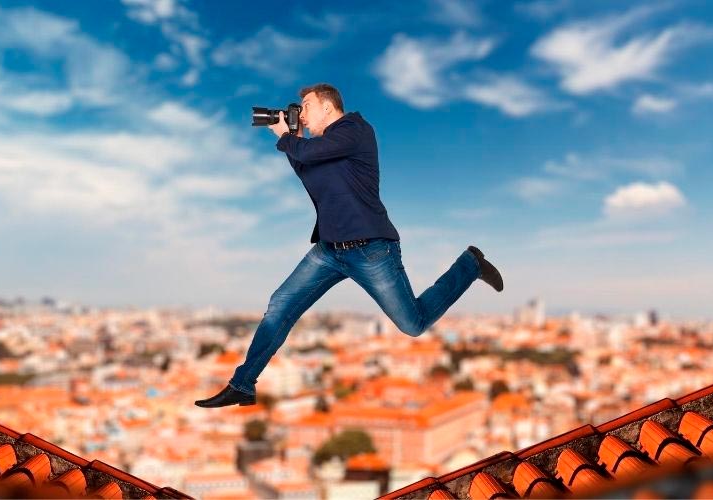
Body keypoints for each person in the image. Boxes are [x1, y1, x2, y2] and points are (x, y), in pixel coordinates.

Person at [195, 83, 502, 408]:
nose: (303, 114)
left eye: (307, 106)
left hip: (370, 250)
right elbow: (306, 170)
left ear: (328, 106)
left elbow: (308, 154)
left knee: (412, 324)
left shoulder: (355, 129)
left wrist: (288, 137)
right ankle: (243, 384)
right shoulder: (322, 146)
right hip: (329, 251)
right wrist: (288, 139)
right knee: (280, 305)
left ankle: (470, 265)